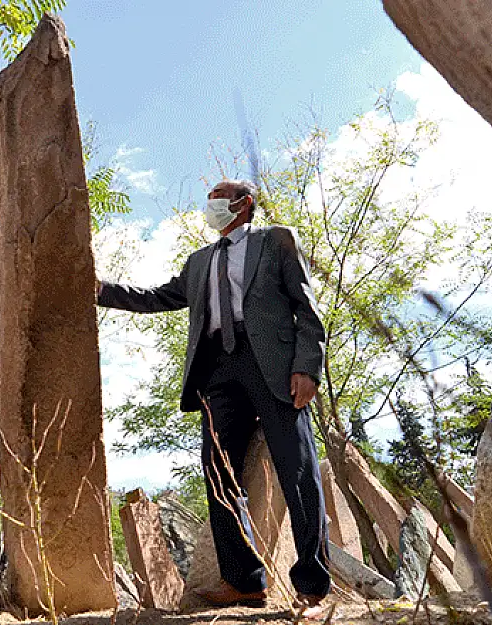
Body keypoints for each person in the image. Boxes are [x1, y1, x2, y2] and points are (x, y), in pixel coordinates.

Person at [96, 179, 330, 617]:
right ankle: (244, 582)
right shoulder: (199, 261)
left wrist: (306, 367)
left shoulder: (276, 240)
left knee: (297, 471)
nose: (211, 206)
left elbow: (306, 307)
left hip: (273, 367)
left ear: (244, 204)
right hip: (217, 371)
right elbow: (158, 298)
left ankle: (313, 587)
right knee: (219, 473)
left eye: (219, 198)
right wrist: (101, 290)